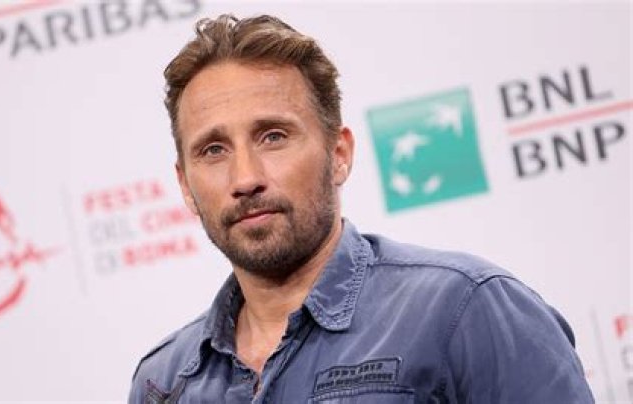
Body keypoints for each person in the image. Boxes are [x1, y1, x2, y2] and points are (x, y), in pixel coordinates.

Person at [129, 14, 594, 403]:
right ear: (185, 185)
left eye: (273, 136)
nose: (245, 178)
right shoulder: (162, 382)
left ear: (339, 154)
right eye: (213, 150)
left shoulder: (466, 309)